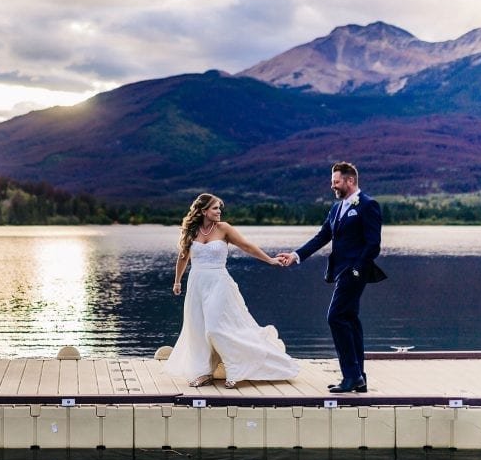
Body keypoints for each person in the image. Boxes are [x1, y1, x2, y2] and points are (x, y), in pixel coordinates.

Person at [165, 193, 299, 389]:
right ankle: (204, 372)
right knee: (198, 330)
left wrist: (270, 260)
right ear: (203, 211)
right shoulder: (192, 231)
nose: (219, 211)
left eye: (219, 208)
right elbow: (183, 256)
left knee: (215, 328)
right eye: (215, 208)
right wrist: (177, 281)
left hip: (219, 282)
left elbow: (247, 246)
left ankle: (235, 369)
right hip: (196, 283)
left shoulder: (224, 229)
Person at [277, 162, 386, 393]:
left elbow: (373, 244)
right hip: (340, 271)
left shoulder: (368, 205)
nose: (332, 185)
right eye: (332, 181)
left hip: (354, 272)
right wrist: (296, 255)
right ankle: (359, 377)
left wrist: (357, 268)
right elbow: (322, 237)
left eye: (336, 181)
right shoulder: (336, 209)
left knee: (335, 317)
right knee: (350, 320)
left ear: (350, 181)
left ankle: (351, 376)